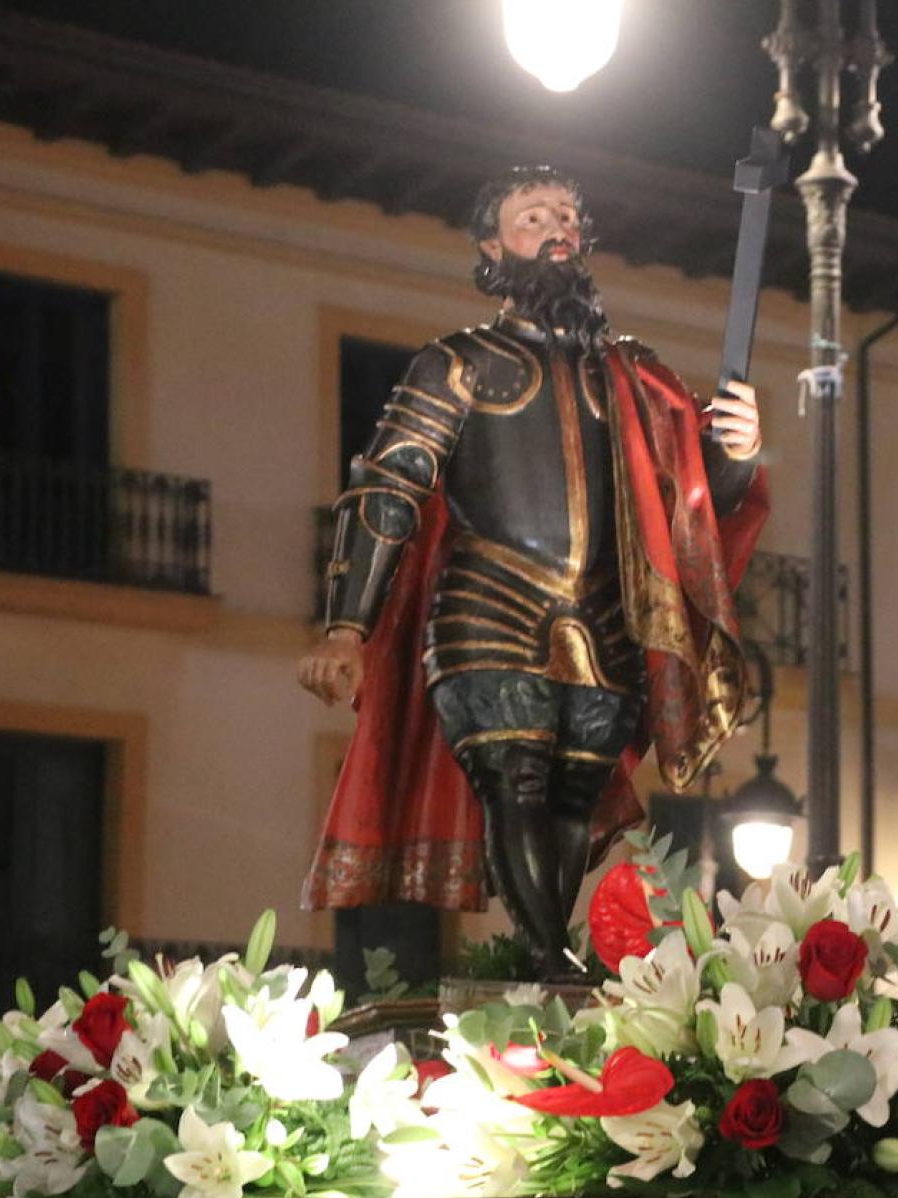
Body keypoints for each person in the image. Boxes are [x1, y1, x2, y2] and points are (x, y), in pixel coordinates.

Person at [296, 166, 768, 977]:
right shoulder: (457, 364)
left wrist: (738, 448)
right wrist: (347, 627)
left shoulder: (637, 376)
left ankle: (544, 953)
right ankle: (552, 961)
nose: (556, 227)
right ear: (492, 246)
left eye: (567, 216)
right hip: (488, 601)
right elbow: (388, 485)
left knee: (575, 796)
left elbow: (690, 500)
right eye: (532, 216)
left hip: (603, 613)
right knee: (513, 774)